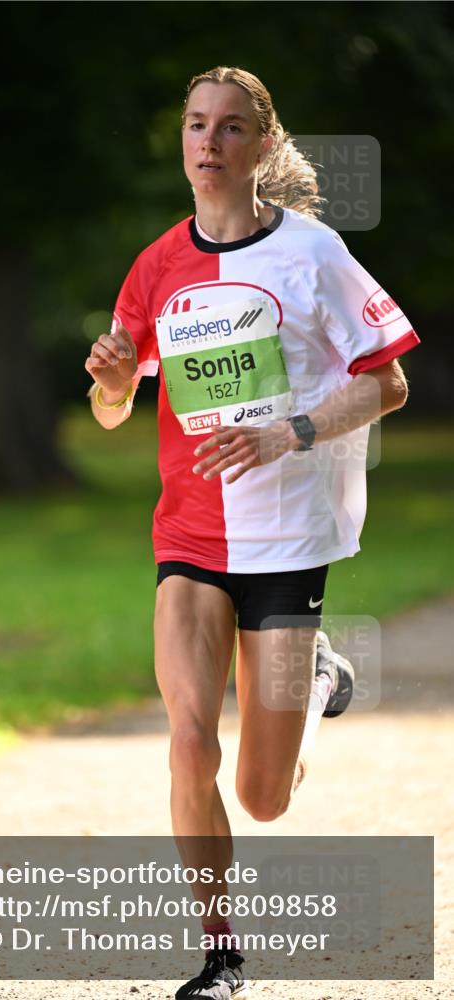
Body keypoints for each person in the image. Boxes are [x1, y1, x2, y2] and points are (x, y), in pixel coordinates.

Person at [84, 66, 419, 1000]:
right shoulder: (156, 266)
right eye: (196, 125)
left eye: (231, 128)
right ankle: (220, 956)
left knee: (262, 796)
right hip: (188, 537)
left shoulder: (311, 255)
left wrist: (288, 431)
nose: (209, 143)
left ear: (261, 147)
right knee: (189, 741)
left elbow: (388, 382)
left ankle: (314, 680)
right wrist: (112, 380)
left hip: (286, 543)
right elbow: (112, 407)